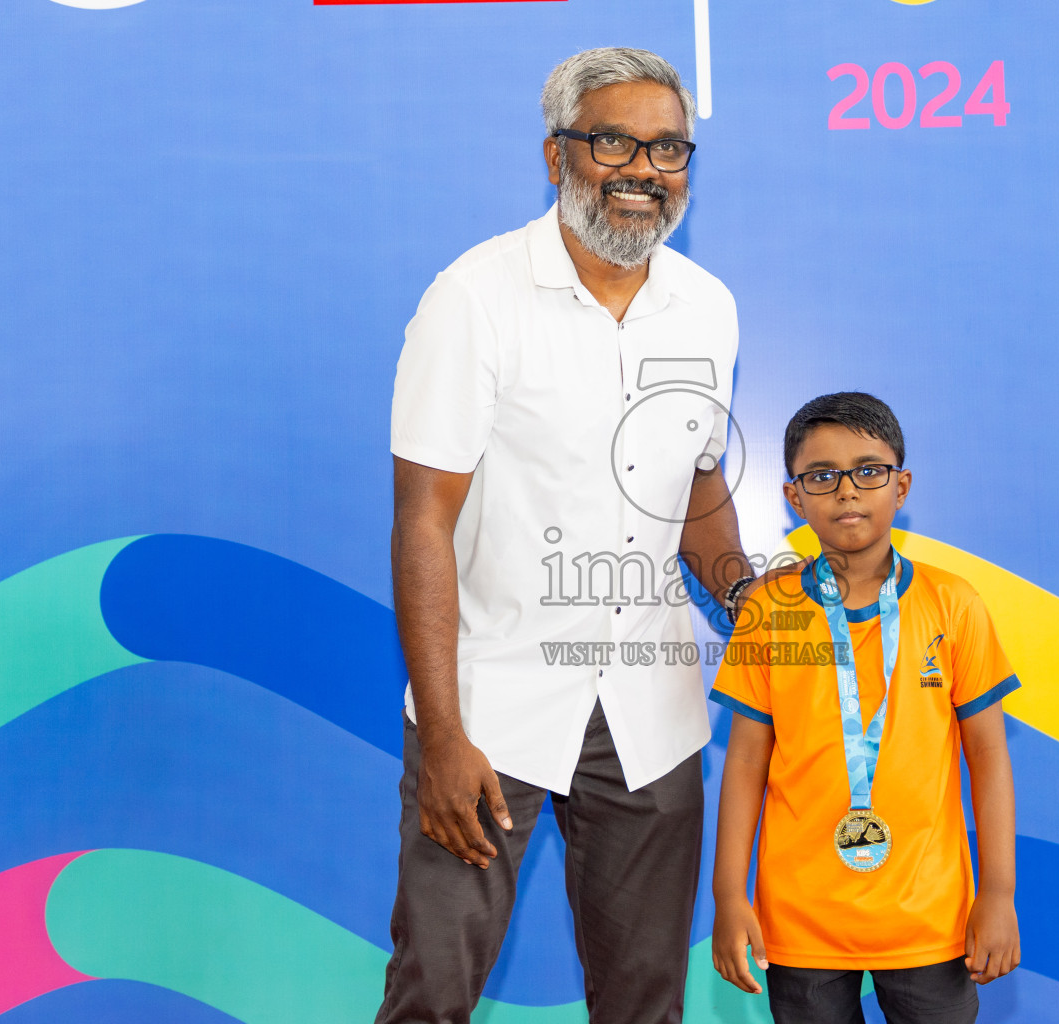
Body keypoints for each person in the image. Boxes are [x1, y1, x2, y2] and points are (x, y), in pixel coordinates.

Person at [379, 48, 765, 1024]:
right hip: (491, 709)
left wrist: (756, 610)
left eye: (669, 148)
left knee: (644, 1004)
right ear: (557, 157)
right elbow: (424, 521)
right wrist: (443, 733)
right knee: (432, 993)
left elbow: (695, 485)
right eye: (614, 143)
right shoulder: (473, 299)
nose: (644, 169)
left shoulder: (707, 308)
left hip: (653, 714)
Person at [708, 392, 1022, 1024]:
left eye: (868, 470)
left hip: (929, 916)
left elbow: (987, 755)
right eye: (822, 476)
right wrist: (727, 896)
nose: (847, 490)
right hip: (800, 920)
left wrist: (999, 893)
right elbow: (745, 762)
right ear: (794, 497)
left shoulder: (952, 603)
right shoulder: (772, 613)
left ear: (900, 486)